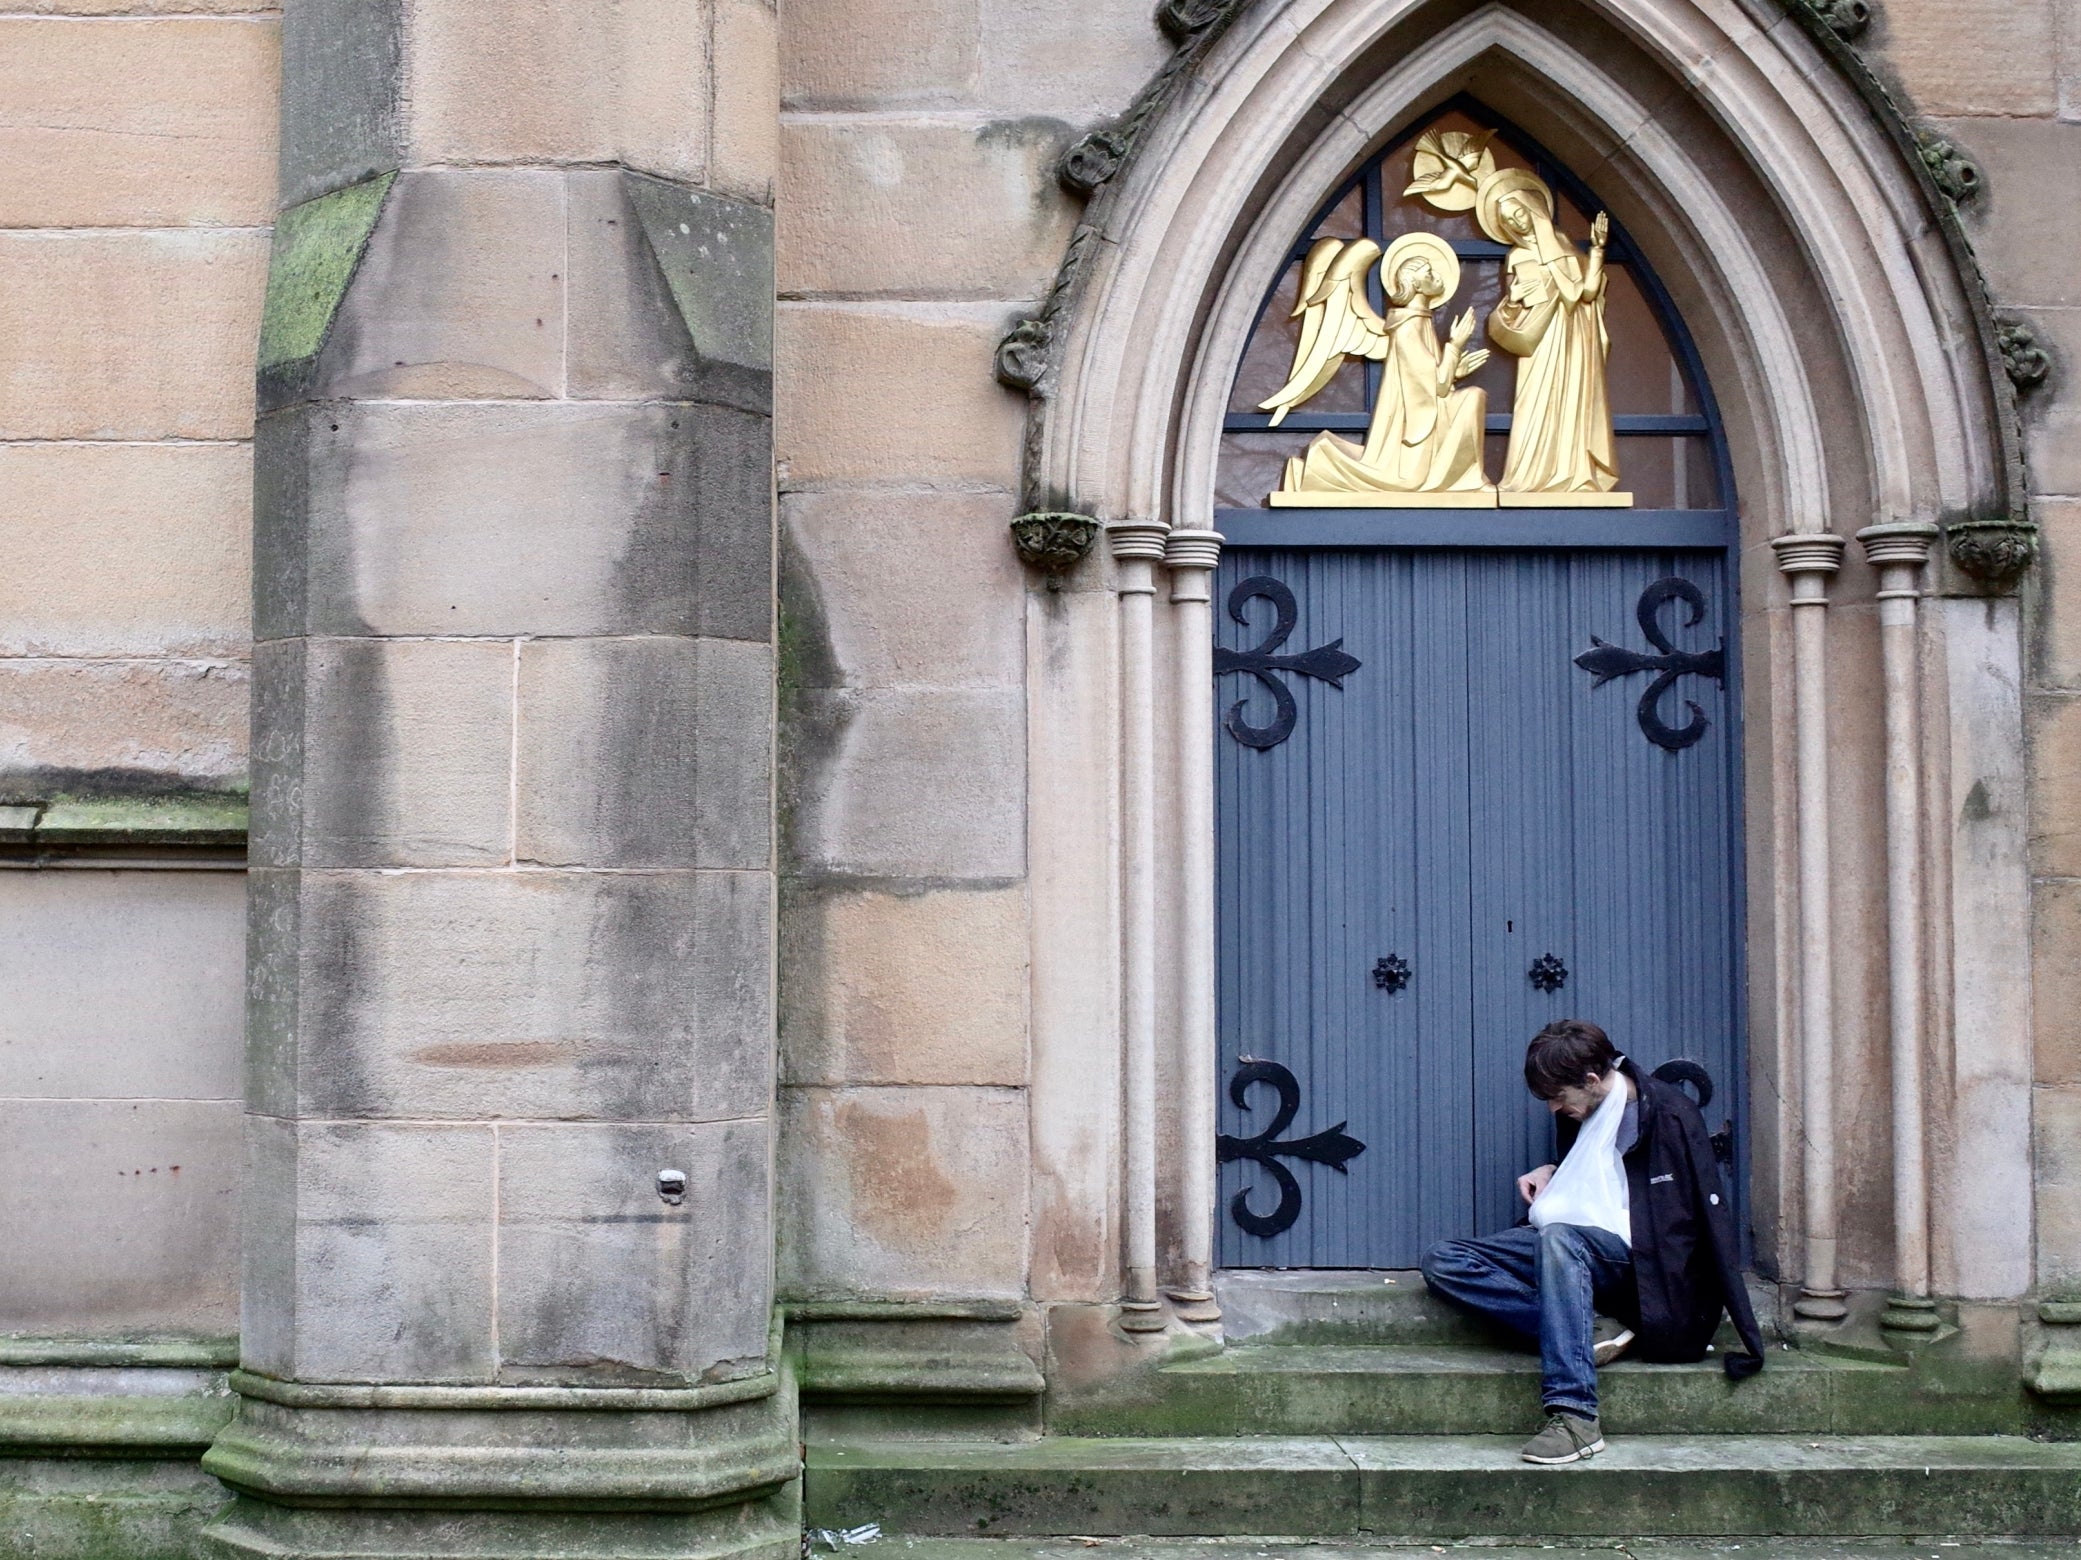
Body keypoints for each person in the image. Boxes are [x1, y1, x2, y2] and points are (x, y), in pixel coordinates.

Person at [1420, 1019, 1764, 1464]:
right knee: (1443, 1259)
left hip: (1639, 1267)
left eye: (1558, 1097)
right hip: (1572, 1250)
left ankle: (1576, 1415)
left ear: (1591, 1079)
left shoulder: (1670, 1114)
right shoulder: (1587, 1109)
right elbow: (1600, 1178)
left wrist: (1716, 1326)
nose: (1552, 1109)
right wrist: (1552, 1172)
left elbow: (1698, 1223)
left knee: (1560, 1239)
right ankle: (1595, 1330)